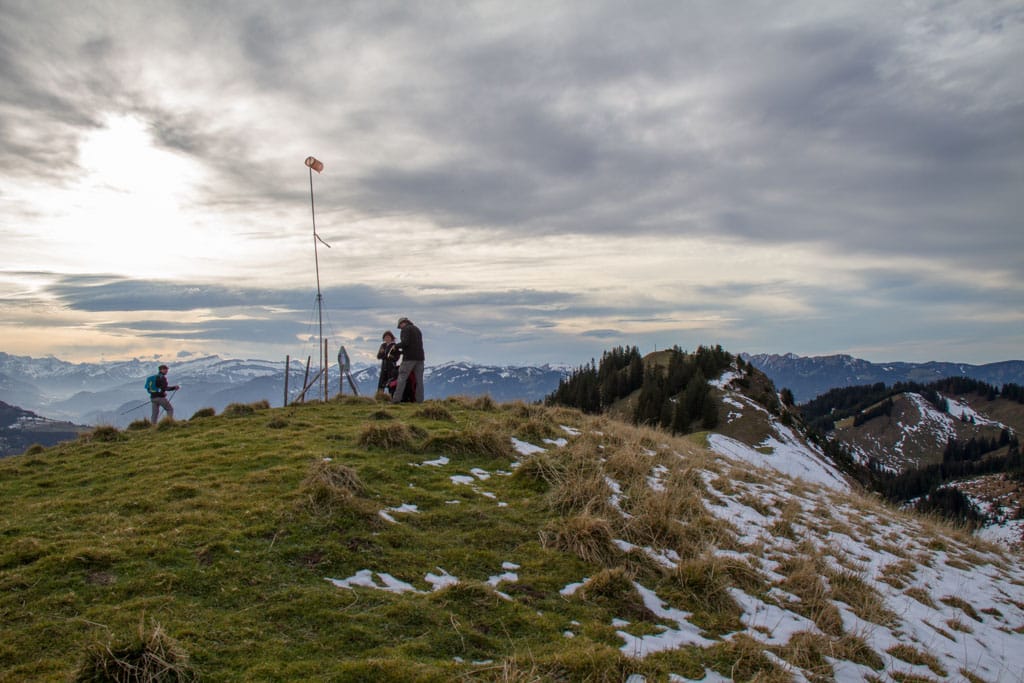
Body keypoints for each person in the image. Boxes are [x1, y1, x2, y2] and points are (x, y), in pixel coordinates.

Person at [391, 316, 425, 403]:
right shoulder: (417, 329)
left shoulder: (405, 330)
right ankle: (419, 400)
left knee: (402, 378)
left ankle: (396, 399)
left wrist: (396, 346)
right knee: (419, 380)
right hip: (420, 358)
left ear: (402, 323)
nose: (400, 328)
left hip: (409, 359)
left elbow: (405, 343)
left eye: (400, 326)